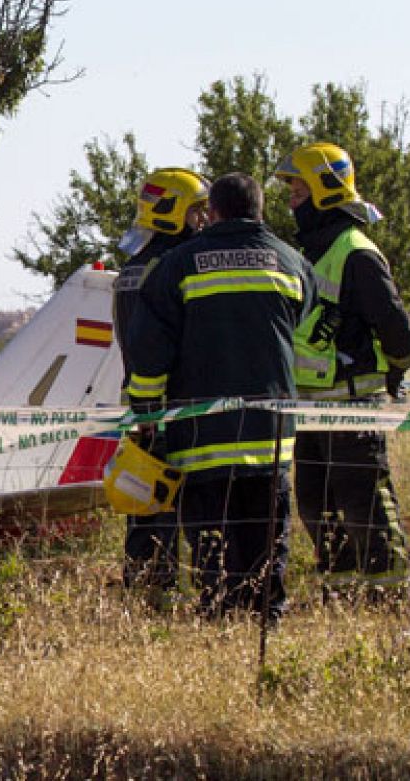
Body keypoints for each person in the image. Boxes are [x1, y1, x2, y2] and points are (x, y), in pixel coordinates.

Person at [124, 173, 312, 619]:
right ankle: (266, 616)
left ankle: (220, 617)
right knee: (266, 540)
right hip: (270, 438)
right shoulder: (291, 262)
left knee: (213, 543)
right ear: (260, 209)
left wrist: (147, 413)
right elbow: (300, 329)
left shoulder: (175, 266)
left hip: (203, 439)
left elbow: (148, 354)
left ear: (213, 212)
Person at [277, 142, 410, 601]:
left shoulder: (357, 251)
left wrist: (395, 371)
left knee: (365, 503)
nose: (292, 201)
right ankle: (339, 597)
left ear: (323, 191)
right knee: (318, 505)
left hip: (352, 404)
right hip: (310, 407)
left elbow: (399, 330)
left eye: (298, 191)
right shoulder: (310, 253)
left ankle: (388, 594)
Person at [112, 168, 210, 600]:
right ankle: (166, 592)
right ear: (175, 213)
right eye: (196, 212)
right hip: (173, 404)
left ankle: (145, 591)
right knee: (176, 506)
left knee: (144, 503)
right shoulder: (174, 267)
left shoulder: (133, 265)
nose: (202, 221)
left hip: (139, 404)